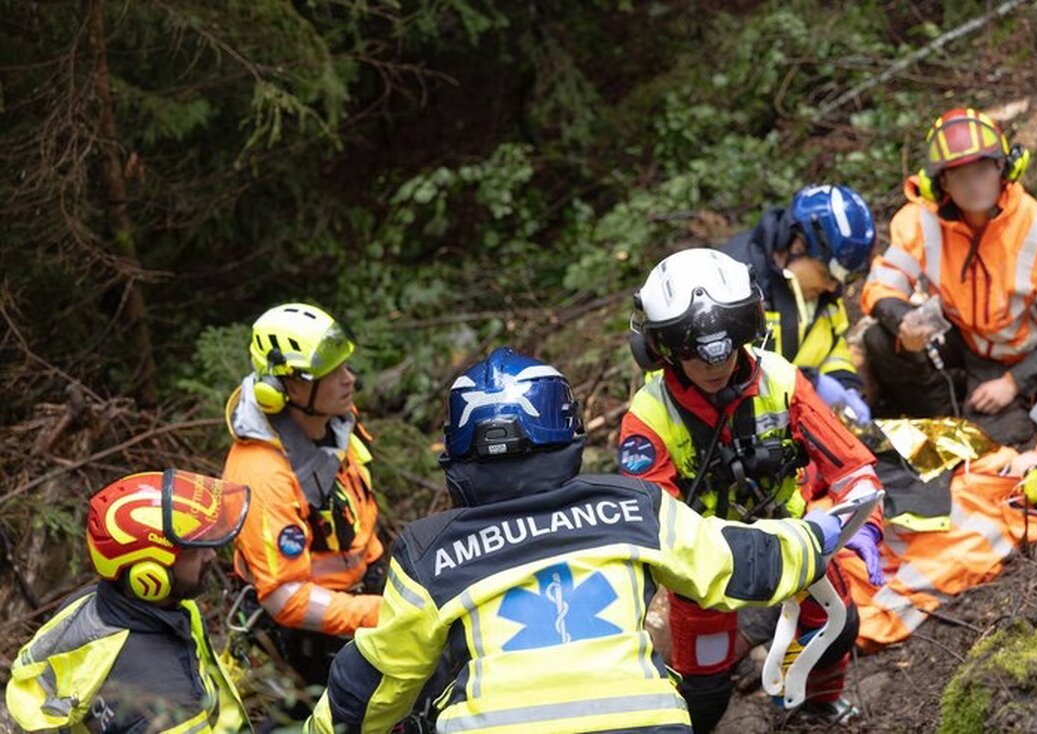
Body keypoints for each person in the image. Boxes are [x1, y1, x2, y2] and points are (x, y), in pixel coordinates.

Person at [304, 347, 843, 734]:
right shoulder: (635, 505)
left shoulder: (429, 553)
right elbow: (737, 561)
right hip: (644, 725)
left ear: (458, 452)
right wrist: (816, 536)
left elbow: (377, 676)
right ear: (567, 431)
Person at [620, 248, 884, 730]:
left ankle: (817, 701)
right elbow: (650, 523)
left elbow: (850, 466)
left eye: (726, 345)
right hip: (707, 571)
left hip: (795, 542)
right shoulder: (649, 418)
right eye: (696, 352)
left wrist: (865, 524)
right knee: (703, 683)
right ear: (661, 349)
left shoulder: (780, 379)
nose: (714, 364)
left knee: (837, 626)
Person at [861, 107, 1037, 444]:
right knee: (880, 342)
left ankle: (977, 422)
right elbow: (880, 285)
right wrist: (904, 322)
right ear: (940, 182)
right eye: (959, 175)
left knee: (1003, 438)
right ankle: (947, 419)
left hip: (1015, 358)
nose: (973, 185)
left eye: (982, 169)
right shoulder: (922, 221)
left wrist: (1012, 382)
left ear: (1002, 167)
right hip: (960, 339)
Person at [6, 470, 252, 733]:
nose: (212, 555)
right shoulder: (169, 707)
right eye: (192, 549)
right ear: (149, 576)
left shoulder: (88, 607)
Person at [222, 302, 386, 686]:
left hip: (360, 595)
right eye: (333, 373)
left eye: (346, 366)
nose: (350, 379)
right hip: (304, 640)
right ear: (289, 386)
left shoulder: (333, 421)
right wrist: (374, 613)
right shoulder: (262, 474)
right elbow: (285, 598)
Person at [720, 184, 877, 424]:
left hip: (788, 422)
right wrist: (810, 383)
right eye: (828, 274)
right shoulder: (734, 283)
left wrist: (846, 387)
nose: (833, 287)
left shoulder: (823, 297)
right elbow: (728, 372)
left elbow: (833, 350)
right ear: (797, 246)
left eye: (841, 279)